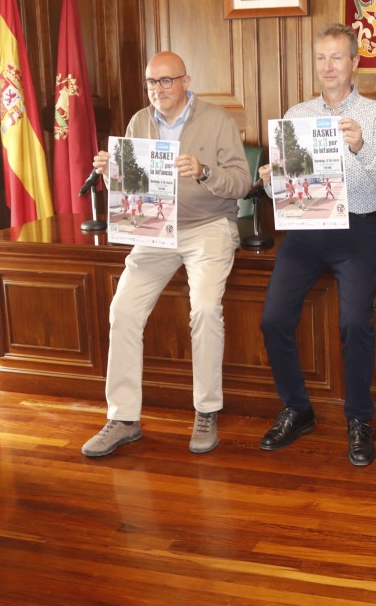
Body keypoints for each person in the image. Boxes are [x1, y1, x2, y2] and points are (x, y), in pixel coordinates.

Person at [81, 51, 252, 458]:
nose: (158, 91)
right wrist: (111, 172)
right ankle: (123, 418)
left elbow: (243, 183)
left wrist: (205, 171)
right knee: (122, 309)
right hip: (155, 230)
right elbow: (133, 186)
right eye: (152, 83)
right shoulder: (139, 121)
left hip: (208, 226)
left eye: (166, 81)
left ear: (186, 81)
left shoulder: (217, 120)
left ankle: (206, 410)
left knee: (206, 308)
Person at [258, 23, 376, 467]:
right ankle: (297, 409)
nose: (328, 66)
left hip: (357, 231)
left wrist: (361, 148)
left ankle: (358, 419)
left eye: (337, 57)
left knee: (354, 323)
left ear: (355, 62)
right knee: (272, 319)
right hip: (304, 230)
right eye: (321, 58)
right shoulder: (297, 114)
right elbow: (282, 191)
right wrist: (269, 181)